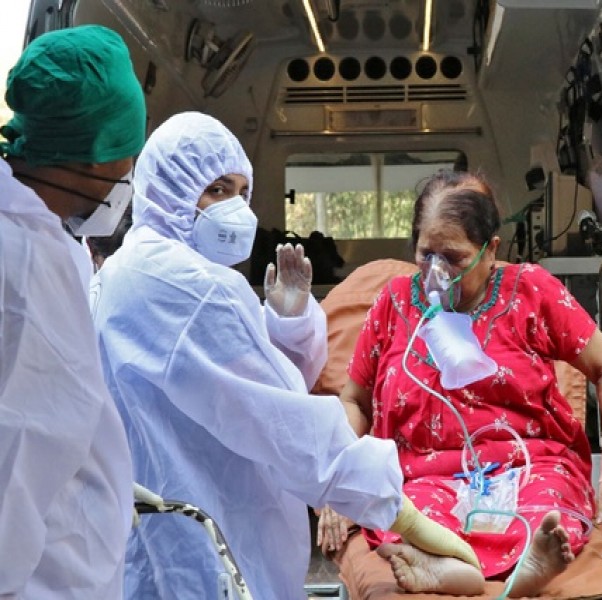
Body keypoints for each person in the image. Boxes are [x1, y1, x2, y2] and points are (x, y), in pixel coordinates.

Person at [90, 111, 477, 599]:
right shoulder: (195, 288)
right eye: (215, 190)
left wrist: (288, 321)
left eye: (239, 192)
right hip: (208, 543)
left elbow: (242, 384)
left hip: (152, 538)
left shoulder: (128, 270)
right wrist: (397, 511)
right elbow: (285, 421)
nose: (232, 207)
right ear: (169, 190)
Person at [334, 170, 602, 597]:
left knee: (546, 513)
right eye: (425, 255)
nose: (436, 273)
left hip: (529, 467)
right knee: (414, 518)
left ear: (491, 250)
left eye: (452, 258)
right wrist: (339, 482)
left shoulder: (530, 292)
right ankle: (447, 567)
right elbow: (355, 401)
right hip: (426, 475)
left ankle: (524, 563)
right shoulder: (395, 302)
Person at [0, 25, 145, 598]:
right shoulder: (27, 264)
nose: (127, 173)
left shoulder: (42, 238)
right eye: (125, 156)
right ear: (98, 155)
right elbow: (16, 452)